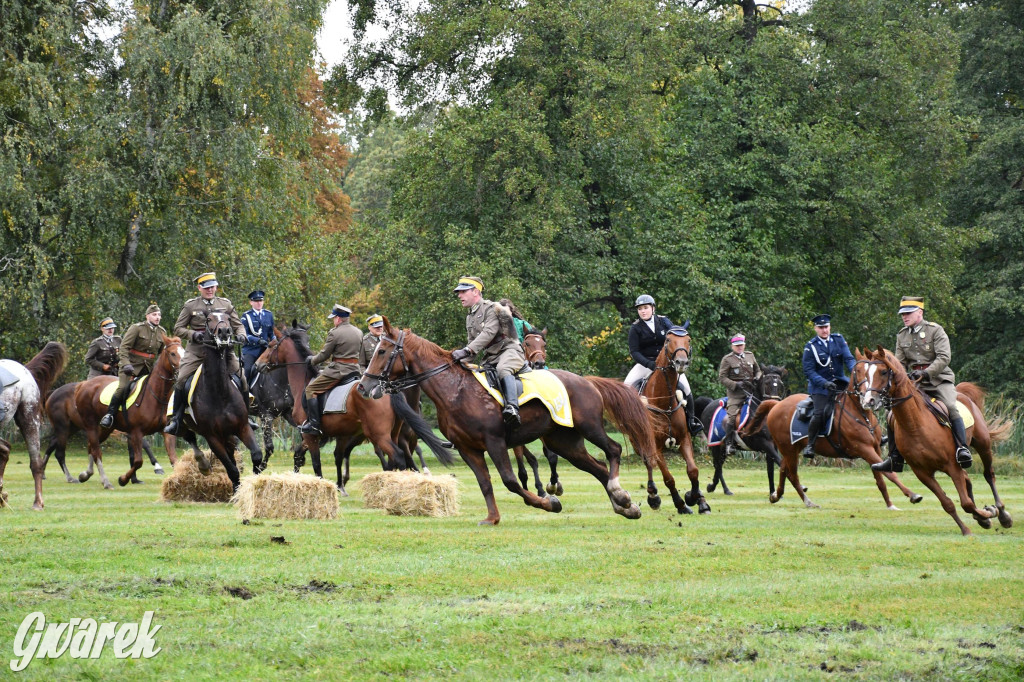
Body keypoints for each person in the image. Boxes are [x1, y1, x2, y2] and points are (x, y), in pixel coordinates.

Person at [872, 296, 971, 472]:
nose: (904, 316)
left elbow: (944, 357)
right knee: (891, 414)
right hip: (915, 383)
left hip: (939, 379)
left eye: (908, 313)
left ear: (920, 312)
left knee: (950, 406)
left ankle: (962, 449)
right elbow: (899, 364)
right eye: (903, 314)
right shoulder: (902, 335)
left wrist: (926, 372)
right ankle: (894, 458)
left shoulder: (935, 330)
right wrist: (902, 378)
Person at [165, 272, 251, 435]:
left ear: (216, 287)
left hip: (223, 352)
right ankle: (176, 420)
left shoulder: (225, 304)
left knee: (243, 379)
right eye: (206, 288)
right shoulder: (191, 306)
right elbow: (178, 328)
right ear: (199, 288)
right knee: (182, 380)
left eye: (212, 287)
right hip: (198, 352)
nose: (210, 290)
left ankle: (246, 417)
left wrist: (241, 335)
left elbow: (238, 325)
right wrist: (192, 335)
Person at [624, 294, 703, 436]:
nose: (643, 311)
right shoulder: (635, 328)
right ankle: (627, 423)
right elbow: (634, 352)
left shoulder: (663, 321)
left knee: (687, 388)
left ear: (653, 308)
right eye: (640, 309)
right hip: (645, 363)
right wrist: (649, 364)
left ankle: (691, 421)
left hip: (667, 364)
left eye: (646, 308)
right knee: (626, 387)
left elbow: (674, 336)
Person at [451, 276, 527, 425]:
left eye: (463, 291)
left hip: (509, 350)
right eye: (459, 292)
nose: (459, 295)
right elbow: (472, 343)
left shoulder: (492, 308)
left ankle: (512, 408)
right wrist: (457, 364)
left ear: (475, 291)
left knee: (503, 369)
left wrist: (466, 350)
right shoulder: (470, 317)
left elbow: (488, 333)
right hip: (491, 355)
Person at [99, 305, 166, 429]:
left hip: (148, 370)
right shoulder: (137, 328)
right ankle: (110, 415)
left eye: (159, 315)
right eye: (154, 315)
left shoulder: (162, 332)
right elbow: (124, 348)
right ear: (147, 316)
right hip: (131, 367)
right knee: (123, 388)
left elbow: (162, 354)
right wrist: (126, 364)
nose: (157, 318)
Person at [300, 304, 363, 434]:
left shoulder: (334, 333)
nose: (333, 321)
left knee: (310, 390)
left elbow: (324, 355)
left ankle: (314, 425)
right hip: (355, 370)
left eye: (334, 318)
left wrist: (311, 360)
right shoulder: (359, 332)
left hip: (339, 371)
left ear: (338, 319)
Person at [800, 314, 856, 457]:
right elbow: (809, 371)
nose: (824, 330)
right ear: (815, 329)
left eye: (826, 327)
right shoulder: (810, 347)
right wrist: (824, 383)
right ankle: (810, 445)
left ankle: (876, 436)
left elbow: (848, 359)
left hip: (840, 382)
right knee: (820, 413)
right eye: (821, 328)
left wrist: (856, 372)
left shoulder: (838, 339)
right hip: (820, 387)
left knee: (862, 400)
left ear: (830, 327)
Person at [717, 333, 762, 455]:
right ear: (732, 346)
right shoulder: (727, 359)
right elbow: (722, 378)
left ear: (744, 344)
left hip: (752, 392)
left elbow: (758, 370)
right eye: (737, 346)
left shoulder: (750, 355)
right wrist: (736, 385)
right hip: (736, 394)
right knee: (731, 417)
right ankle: (729, 444)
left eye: (741, 345)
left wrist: (758, 378)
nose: (739, 347)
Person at [241, 290, 274, 384]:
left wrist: (275, 340)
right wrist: (258, 340)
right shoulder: (246, 316)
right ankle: (245, 393)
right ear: (251, 302)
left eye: (261, 301)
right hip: (251, 350)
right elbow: (244, 334)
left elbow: (271, 333)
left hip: (266, 350)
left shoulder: (268, 315)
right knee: (247, 370)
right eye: (256, 301)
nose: (259, 303)